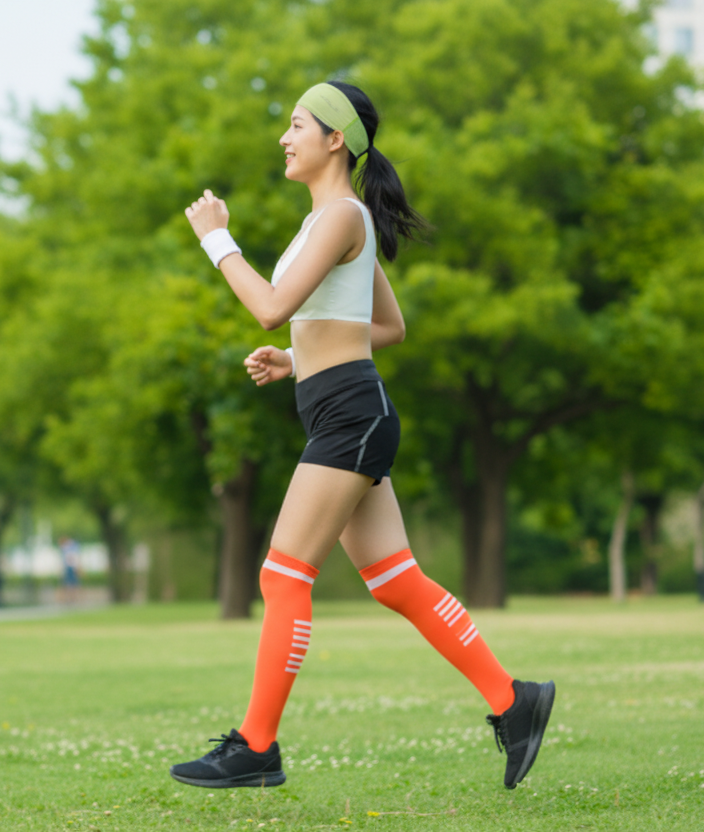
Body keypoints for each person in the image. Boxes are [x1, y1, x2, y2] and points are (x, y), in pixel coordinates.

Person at [170, 81, 554, 791]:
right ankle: (515, 700)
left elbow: (269, 307)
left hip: (350, 415)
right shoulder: (332, 222)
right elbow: (385, 327)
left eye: (295, 125)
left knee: (281, 575)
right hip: (343, 407)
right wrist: (297, 359)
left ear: (334, 139)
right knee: (395, 582)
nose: (284, 139)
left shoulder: (342, 216)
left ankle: (257, 747)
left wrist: (215, 238)